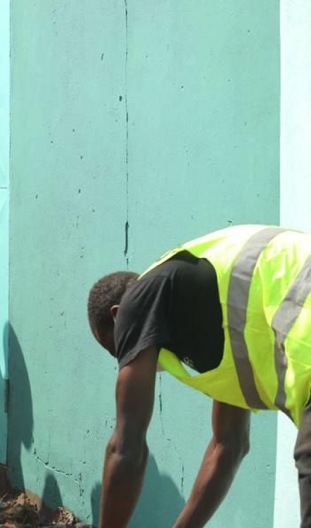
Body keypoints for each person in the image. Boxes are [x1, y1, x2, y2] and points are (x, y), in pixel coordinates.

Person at [86, 225, 311, 527]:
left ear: (119, 315)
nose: (126, 358)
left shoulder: (138, 300)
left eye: (118, 349)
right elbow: (228, 446)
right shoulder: (216, 317)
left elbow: (126, 447)